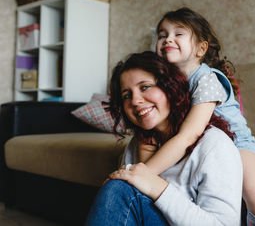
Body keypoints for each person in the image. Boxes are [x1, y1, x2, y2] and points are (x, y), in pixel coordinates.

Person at [141, 7, 255, 226]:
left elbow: (189, 133)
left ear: (200, 48)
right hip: (203, 149)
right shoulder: (166, 84)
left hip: (236, 143)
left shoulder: (207, 78)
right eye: (163, 35)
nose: (168, 39)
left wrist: (144, 173)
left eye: (178, 34)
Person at [85, 51, 243, 226]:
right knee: (119, 189)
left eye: (145, 87)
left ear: (170, 86)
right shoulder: (137, 145)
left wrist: (156, 186)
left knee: (119, 189)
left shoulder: (214, 145)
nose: (135, 100)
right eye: (127, 95)